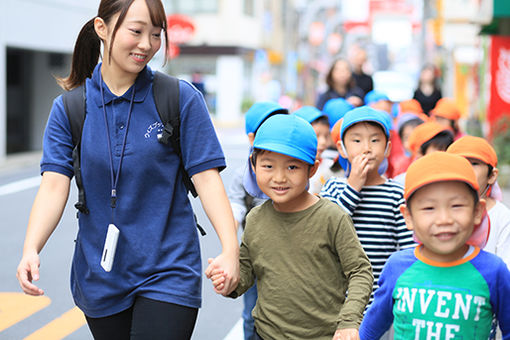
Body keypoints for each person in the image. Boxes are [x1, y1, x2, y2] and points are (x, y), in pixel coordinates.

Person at [16, 1, 239, 338]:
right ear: (102, 29)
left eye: (155, 34)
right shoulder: (70, 109)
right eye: (136, 31)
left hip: (169, 267)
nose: (147, 44)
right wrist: (31, 248)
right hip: (100, 274)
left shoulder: (180, 99)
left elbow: (207, 180)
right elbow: (53, 186)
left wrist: (230, 248)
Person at [208, 114, 374, 340]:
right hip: (266, 334)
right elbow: (247, 271)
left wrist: (349, 321)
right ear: (253, 166)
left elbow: (360, 271)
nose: (279, 177)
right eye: (268, 165)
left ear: (312, 170)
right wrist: (229, 281)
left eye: (292, 167)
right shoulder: (255, 218)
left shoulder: (331, 217)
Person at [359, 152, 510, 339]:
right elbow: (370, 330)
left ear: (478, 211)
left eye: (457, 206)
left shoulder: (494, 271)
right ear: (408, 216)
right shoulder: (397, 267)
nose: (444, 219)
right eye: (429, 208)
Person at [320, 106, 415, 308]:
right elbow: (325, 231)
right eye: (356, 140)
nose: (366, 148)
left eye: (375, 140)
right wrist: (353, 187)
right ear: (341, 148)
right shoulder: (334, 187)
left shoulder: (396, 194)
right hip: (337, 302)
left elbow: (409, 249)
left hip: (379, 303)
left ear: (387, 148)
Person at [227, 101, 287, 340]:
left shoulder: (296, 168)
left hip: (289, 252)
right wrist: (230, 248)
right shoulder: (243, 174)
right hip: (256, 254)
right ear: (252, 138)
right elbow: (235, 209)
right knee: (252, 314)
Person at [447, 136, 510, 267]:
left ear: (492, 176)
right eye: (459, 164)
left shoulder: (502, 218)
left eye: (474, 164)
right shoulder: (441, 212)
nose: (465, 170)